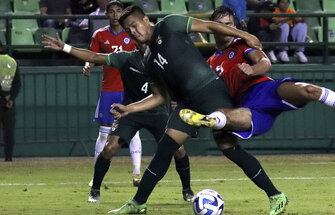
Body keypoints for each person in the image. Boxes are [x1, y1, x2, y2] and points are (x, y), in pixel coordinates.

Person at [107, 5, 288, 215]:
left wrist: (245, 35)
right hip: (188, 103)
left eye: (134, 25)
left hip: (211, 91)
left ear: (146, 20)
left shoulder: (169, 24)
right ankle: (138, 204)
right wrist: (129, 108)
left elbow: (210, 27)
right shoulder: (148, 60)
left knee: (229, 147)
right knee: (165, 149)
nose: (133, 32)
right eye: (128, 30)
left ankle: (276, 196)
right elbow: (159, 96)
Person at [179, 6, 335, 142]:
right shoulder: (210, 62)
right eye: (221, 25)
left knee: (310, 90)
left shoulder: (241, 45)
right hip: (247, 106)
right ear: (213, 28)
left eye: (229, 24)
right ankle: (209, 120)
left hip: (266, 89)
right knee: (232, 116)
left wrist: (252, 70)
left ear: (234, 26)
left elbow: (265, 63)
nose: (226, 29)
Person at [42, 35, 194, 202]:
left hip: (158, 113)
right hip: (130, 113)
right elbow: (93, 56)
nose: (144, 43)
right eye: (140, 40)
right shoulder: (125, 58)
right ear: (135, 43)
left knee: (179, 150)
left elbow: (179, 82)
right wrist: (65, 47)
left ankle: (187, 190)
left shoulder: (164, 61)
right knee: (109, 148)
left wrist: (177, 99)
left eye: (147, 40)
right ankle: (95, 190)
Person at [83, 0, 143, 187]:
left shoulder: (130, 33)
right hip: (109, 89)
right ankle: (96, 175)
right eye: (112, 11)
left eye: (119, 11)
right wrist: (87, 65)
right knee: (104, 135)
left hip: (129, 89)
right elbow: (92, 56)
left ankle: (136, 174)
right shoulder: (99, 35)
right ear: (106, 14)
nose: (115, 14)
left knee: (134, 132)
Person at [0, 41, 21, 162]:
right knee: (9, 131)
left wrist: (4, 96)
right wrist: (11, 98)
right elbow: (17, 83)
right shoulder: (12, 62)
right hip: (9, 103)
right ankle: (8, 157)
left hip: (3, 98)